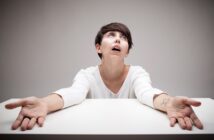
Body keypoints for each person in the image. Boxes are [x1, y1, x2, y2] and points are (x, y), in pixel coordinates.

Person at [5, 22, 203, 131]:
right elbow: (73, 93)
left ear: (127, 51)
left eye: (124, 38)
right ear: (98, 47)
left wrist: (168, 103)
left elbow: (147, 93)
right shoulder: (86, 75)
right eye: (111, 35)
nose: (118, 39)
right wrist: (44, 104)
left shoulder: (138, 73)